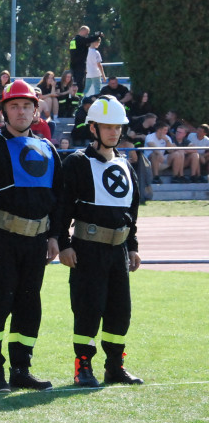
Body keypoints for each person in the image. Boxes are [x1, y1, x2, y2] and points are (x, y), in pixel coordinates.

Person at [0, 80, 62, 392]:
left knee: (29, 305)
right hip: (1, 240)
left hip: (36, 243)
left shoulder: (48, 150)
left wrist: (55, 237)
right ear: (4, 111)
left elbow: (58, 199)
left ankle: (22, 368)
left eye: (27, 106)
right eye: (14, 106)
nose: (21, 111)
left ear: (36, 111)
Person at [57, 95, 143, 388]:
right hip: (87, 250)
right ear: (93, 128)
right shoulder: (77, 163)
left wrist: (133, 247)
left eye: (117, 127)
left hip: (117, 251)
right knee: (88, 308)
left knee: (120, 311)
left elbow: (131, 212)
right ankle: (83, 367)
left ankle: (115, 366)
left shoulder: (126, 164)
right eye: (107, 126)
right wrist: (63, 243)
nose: (113, 132)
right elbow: (62, 208)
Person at [68, 26, 100, 94]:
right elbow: (88, 40)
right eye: (87, 33)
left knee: (77, 83)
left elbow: (84, 44)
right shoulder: (78, 39)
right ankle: (78, 98)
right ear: (82, 31)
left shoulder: (74, 40)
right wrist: (97, 36)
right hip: (79, 65)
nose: (87, 34)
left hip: (74, 64)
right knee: (80, 84)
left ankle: (77, 97)